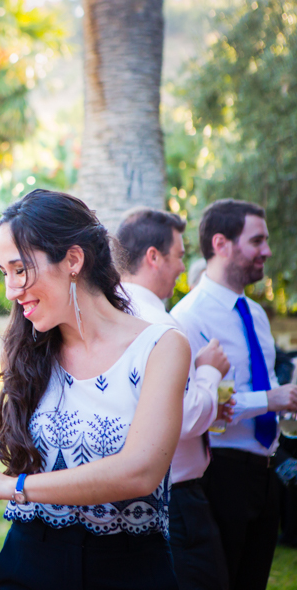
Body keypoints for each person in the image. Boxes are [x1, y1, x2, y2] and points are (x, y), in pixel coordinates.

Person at [0, 189, 190, 590]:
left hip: (127, 568)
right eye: (3, 273)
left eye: (20, 270)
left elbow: (141, 471)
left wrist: (13, 487)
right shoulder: (29, 350)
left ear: (73, 260)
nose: (11, 290)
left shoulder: (161, 346)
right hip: (29, 557)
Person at [171, 199, 297, 590]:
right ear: (221, 243)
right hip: (219, 475)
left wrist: (284, 406)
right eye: (257, 240)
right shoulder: (188, 318)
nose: (267, 251)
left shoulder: (257, 315)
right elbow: (189, 405)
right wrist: (270, 400)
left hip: (265, 473)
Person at [117, 207, 232, 589]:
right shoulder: (160, 324)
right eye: (179, 255)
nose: (184, 267)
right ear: (154, 256)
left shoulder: (109, 314)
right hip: (175, 496)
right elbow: (181, 418)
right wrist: (209, 372)